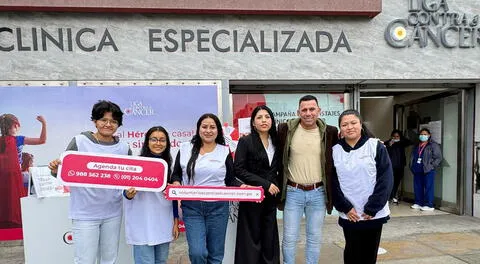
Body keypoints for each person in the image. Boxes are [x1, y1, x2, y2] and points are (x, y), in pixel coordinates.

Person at [48, 100, 131, 264]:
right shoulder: (80, 141)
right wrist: (55, 168)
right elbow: (63, 171)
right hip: (84, 213)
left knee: (109, 259)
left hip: (113, 212)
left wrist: (129, 192)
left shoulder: (124, 148)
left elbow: (127, 179)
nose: (108, 124)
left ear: (118, 124)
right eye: (103, 120)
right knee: (84, 260)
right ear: (95, 121)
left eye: (113, 121)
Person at [171, 113, 240, 264]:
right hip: (192, 207)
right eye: (204, 127)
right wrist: (176, 182)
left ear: (218, 131)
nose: (208, 130)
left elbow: (230, 179)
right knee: (197, 252)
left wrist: (242, 187)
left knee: (215, 254)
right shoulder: (184, 148)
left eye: (212, 127)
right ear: (198, 129)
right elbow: (176, 173)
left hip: (219, 207)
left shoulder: (224, 151)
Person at [277, 95, 339, 264]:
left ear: (319, 111)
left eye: (312, 109)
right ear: (298, 112)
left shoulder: (330, 132)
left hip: (318, 193)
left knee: (314, 237)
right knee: (289, 237)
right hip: (293, 192)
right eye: (304, 110)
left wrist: (374, 140)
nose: (308, 113)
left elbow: (347, 145)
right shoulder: (285, 129)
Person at [332, 109, 393, 264]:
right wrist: (345, 207)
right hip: (350, 212)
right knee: (352, 252)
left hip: (372, 213)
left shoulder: (375, 146)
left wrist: (372, 207)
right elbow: (333, 182)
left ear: (361, 124)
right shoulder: (335, 150)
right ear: (340, 128)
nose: (349, 127)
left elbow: (385, 179)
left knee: (369, 254)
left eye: (353, 123)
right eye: (344, 124)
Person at [123, 126, 179, 264]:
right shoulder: (136, 165)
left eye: (162, 140)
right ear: (147, 142)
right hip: (142, 223)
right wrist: (128, 194)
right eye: (154, 139)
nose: (158, 143)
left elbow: (172, 196)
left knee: (161, 261)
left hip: (164, 222)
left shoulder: (169, 166)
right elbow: (124, 192)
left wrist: (176, 220)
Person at [234, 105, 281, 264]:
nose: (264, 120)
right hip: (252, 196)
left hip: (271, 197)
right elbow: (238, 169)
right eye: (259, 117)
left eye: (267, 117)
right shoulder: (246, 141)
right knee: (251, 237)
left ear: (272, 120)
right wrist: (265, 184)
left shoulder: (276, 140)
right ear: (253, 123)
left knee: (269, 237)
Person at [409, 128, 442, 211]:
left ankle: (429, 204)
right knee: (418, 187)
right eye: (421, 134)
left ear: (429, 135)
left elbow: (438, 157)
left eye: (425, 134)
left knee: (428, 187)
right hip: (417, 169)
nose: (423, 136)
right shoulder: (417, 145)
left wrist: (432, 166)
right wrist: (412, 165)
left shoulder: (433, 145)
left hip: (428, 169)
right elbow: (413, 156)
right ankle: (418, 202)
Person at [384, 129, 411, 204]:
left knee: (397, 182)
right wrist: (390, 145)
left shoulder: (402, 143)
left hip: (400, 166)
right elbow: (385, 152)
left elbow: (409, 142)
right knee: (390, 182)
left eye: (397, 136)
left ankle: (393, 196)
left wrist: (401, 140)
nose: (395, 138)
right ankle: (389, 197)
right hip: (390, 166)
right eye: (394, 136)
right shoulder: (387, 143)